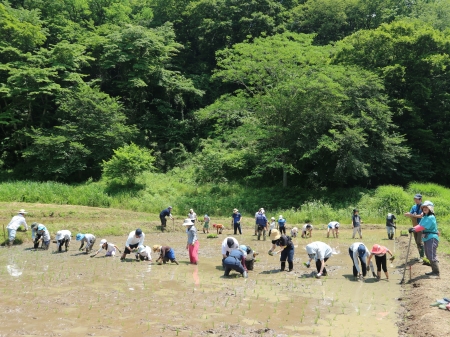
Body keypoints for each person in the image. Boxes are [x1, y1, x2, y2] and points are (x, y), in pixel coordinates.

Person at [408, 200, 440, 278]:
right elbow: (419, 225)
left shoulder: (431, 217)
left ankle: (436, 273)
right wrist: (413, 228)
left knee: (431, 255)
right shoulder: (425, 217)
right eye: (424, 207)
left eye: (427, 207)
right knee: (428, 255)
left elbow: (422, 227)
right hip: (427, 238)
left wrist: (414, 229)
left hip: (432, 238)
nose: (425, 208)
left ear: (430, 208)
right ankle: (433, 271)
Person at [404, 194, 424, 260]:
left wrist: (412, 215)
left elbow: (421, 216)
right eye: (415, 199)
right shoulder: (414, 207)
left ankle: (422, 257)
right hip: (415, 226)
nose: (415, 200)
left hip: (421, 226)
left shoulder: (424, 207)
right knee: (416, 241)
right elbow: (411, 214)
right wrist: (408, 214)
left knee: (419, 241)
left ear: (420, 199)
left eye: (417, 199)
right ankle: (420, 256)